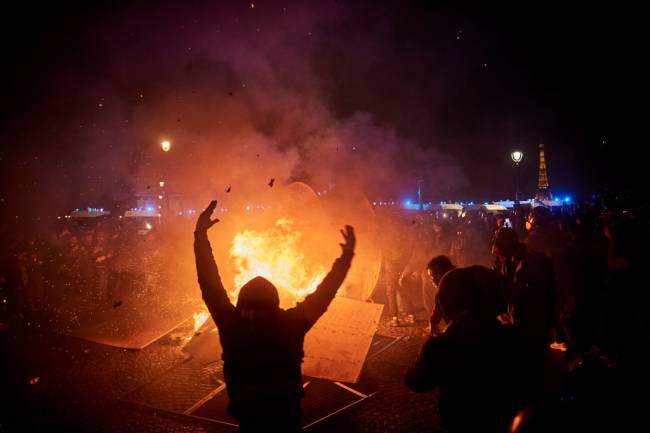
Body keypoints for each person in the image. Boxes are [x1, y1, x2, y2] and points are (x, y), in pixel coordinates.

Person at [194, 200, 355, 432]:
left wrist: (200, 236)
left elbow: (209, 283)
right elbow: (325, 293)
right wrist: (346, 257)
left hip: (248, 413)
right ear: (275, 301)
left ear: (241, 301)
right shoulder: (291, 324)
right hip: (286, 413)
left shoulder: (231, 324)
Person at [405, 266, 535, 433]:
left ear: (445, 302)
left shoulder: (441, 345)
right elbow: (528, 384)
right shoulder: (509, 335)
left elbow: (419, 381)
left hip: (459, 423)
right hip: (501, 422)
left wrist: (410, 369)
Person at [425, 255, 455, 334]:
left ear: (438, 274)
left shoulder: (450, 288)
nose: (431, 281)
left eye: (431, 276)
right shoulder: (457, 276)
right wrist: (433, 321)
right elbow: (439, 305)